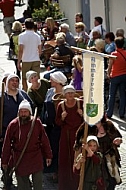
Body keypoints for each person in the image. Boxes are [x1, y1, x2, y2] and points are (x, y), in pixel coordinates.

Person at [1, 99, 52, 190]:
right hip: (20, 158)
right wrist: (5, 161)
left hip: (35, 156)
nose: (23, 114)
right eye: (21, 112)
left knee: (38, 185)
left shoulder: (36, 123)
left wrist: (48, 155)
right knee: (23, 186)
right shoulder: (13, 125)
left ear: (30, 113)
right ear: (18, 112)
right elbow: (7, 144)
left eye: (25, 112)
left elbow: (44, 140)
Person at [74, 114, 122, 190]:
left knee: (110, 183)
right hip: (91, 161)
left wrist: (118, 140)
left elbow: (118, 137)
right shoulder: (86, 126)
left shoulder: (108, 125)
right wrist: (78, 161)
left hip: (108, 161)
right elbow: (78, 144)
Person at [55, 85, 83, 190]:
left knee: (78, 158)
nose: (70, 95)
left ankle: (77, 183)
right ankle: (65, 184)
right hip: (65, 136)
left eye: (72, 92)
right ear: (64, 95)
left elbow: (87, 119)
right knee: (65, 159)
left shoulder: (80, 103)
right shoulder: (61, 105)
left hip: (78, 134)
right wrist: (62, 118)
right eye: (68, 93)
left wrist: (82, 114)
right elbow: (57, 122)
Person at [43, 71, 67, 182]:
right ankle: (51, 169)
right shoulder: (49, 91)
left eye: (52, 79)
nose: (50, 81)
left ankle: (59, 172)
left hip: (59, 127)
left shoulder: (65, 94)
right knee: (50, 148)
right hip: (48, 125)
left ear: (58, 81)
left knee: (58, 149)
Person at [17, 18, 42, 92]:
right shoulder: (37, 36)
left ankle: (25, 93)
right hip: (36, 59)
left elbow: (21, 50)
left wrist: (19, 61)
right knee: (36, 78)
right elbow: (40, 50)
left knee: (24, 78)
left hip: (26, 59)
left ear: (25, 25)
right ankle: (37, 93)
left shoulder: (21, 36)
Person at [106, 37, 126, 119]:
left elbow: (110, 66)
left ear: (116, 44)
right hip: (124, 76)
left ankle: (109, 113)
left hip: (115, 76)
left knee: (112, 95)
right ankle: (122, 113)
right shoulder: (125, 53)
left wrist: (108, 74)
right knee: (122, 95)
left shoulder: (113, 54)